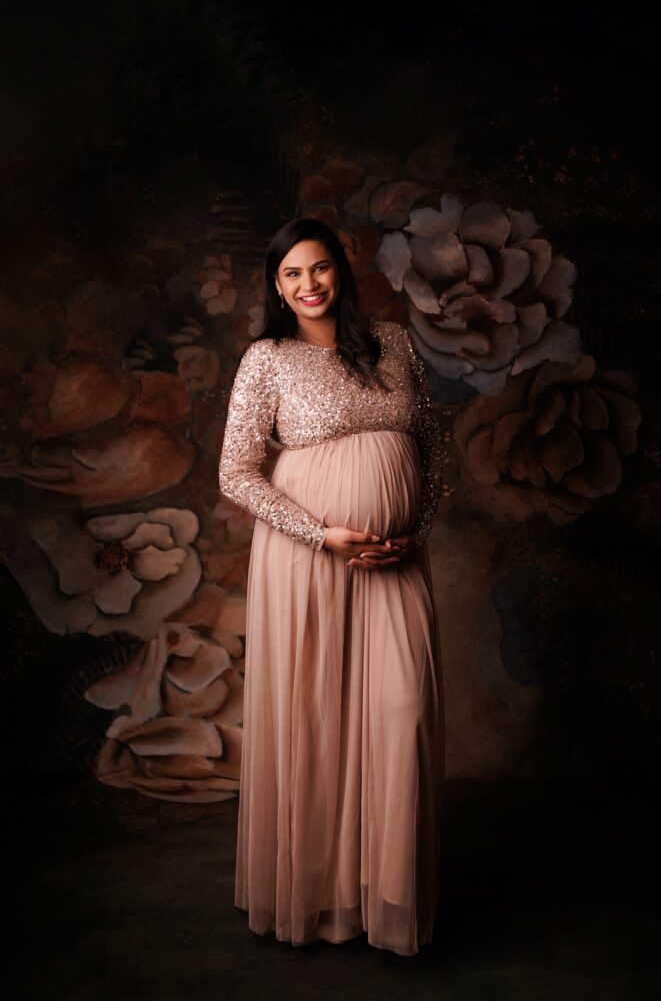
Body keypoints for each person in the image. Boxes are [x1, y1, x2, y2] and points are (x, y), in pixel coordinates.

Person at [219, 217, 446, 957]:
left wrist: (412, 531)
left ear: (339, 273)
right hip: (307, 561)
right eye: (290, 275)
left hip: (392, 561)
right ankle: (318, 900)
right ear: (276, 289)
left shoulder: (395, 344)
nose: (307, 284)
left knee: (401, 712)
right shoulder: (267, 359)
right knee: (316, 722)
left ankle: (388, 899)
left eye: (317, 269)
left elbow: (432, 455)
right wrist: (321, 534)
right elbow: (235, 473)